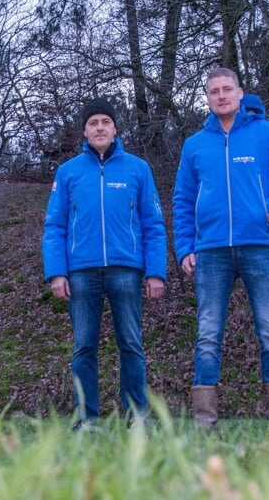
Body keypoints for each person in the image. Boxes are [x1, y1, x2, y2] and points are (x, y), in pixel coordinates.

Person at [172, 67, 269, 430]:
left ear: (239, 93)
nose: (221, 95)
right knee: (207, 335)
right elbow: (183, 201)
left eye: (226, 89)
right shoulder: (194, 145)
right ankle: (205, 420)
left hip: (260, 247)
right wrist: (185, 246)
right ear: (207, 98)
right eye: (214, 91)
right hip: (210, 252)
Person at [42, 98, 168, 429]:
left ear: (115, 128)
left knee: (131, 344)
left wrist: (156, 271)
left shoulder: (138, 169)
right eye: (93, 122)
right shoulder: (68, 172)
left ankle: (136, 417)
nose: (99, 127)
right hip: (81, 272)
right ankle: (86, 420)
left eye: (105, 122)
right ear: (84, 130)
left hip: (127, 270)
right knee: (84, 347)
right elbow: (54, 226)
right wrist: (56, 272)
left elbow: (153, 224)